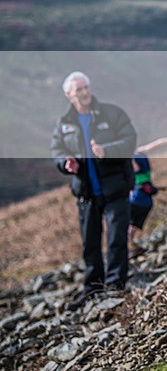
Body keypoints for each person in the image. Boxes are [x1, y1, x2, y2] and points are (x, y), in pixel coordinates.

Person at [50, 72, 136, 311]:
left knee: (116, 238)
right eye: (78, 90)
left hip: (116, 187)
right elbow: (57, 150)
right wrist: (65, 163)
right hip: (86, 193)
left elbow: (129, 141)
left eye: (86, 87)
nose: (84, 93)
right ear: (69, 95)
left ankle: (115, 286)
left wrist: (107, 150)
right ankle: (93, 287)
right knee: (90, 243)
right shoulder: (64, 123)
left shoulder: (112, 113)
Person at [128, 133, 167, 258]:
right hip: (146, 199)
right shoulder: (140, 152)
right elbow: (159, 142)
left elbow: (134, 170)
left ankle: (129, 247)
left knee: (127, 224)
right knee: (133, 225)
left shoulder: (130, 158)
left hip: (137, 197)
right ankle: (131, 246)